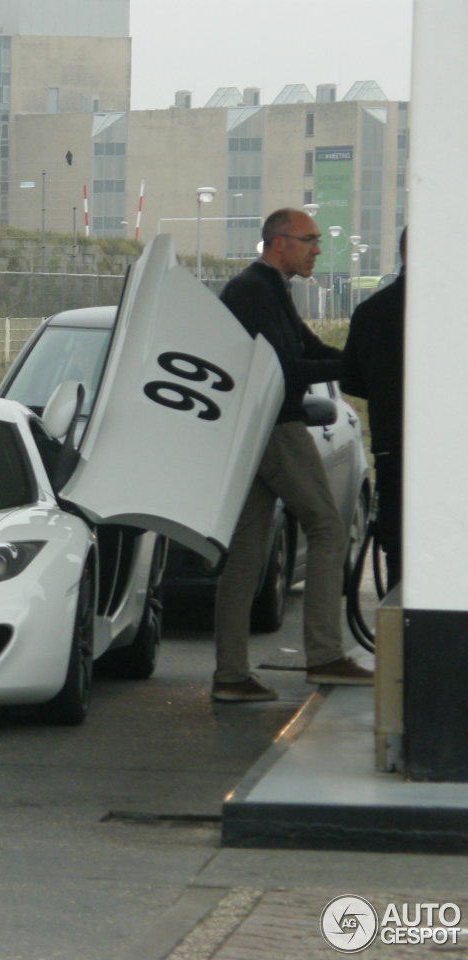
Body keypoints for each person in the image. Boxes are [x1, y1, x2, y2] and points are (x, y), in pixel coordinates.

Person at [210, 207, 374, 702]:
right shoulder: (253, 290)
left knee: (244, 552)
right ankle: (324, 655)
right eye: (310, 240)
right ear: (279, 242)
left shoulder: (268, 288)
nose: (317, 250)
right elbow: (285, 366)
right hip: (275, 426)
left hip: (254, 429)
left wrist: (362, 364)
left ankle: (230, 675)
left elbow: (311, 347)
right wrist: (359, 369)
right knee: (327, 526)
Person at [340, 227, 406, 589]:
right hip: (452, 456)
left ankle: (401, 637)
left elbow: (351, 381)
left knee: (398, 555)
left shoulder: (371, 311)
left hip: (392, 447)